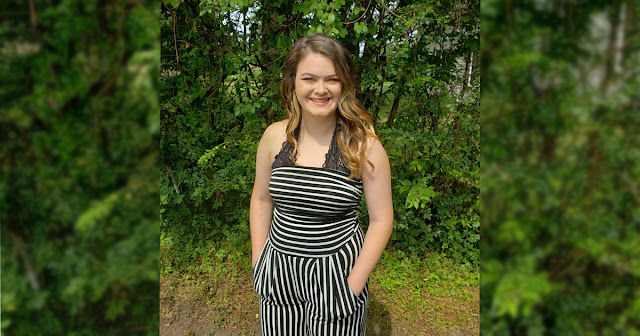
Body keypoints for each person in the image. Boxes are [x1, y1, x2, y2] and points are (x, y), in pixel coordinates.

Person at [249, 33, 393, 335]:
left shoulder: (364, 147)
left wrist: (352, 286)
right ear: (293, 83)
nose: (320, 89)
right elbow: (261, 200)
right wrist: (259, 260)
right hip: (278, 272)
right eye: (309, 78)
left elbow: (381, 220)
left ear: (344, 84)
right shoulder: (274, 137)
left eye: (332, 79)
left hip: (337, 277)